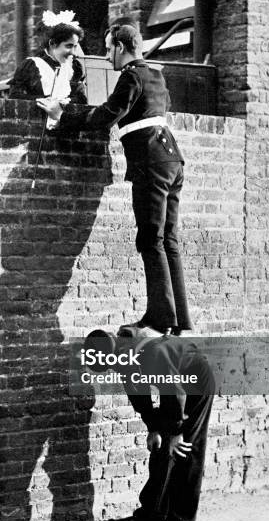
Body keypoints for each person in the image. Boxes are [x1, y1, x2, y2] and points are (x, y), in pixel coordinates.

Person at [37, 18, 191, 336]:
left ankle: (160, 318)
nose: (108, 57)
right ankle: (178, 321)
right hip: (173, 161)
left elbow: (109, 114)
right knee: (168, 240)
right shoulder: (157, 76)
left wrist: (62, 115)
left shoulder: (131, 75)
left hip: (151, 163)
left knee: (150, 238)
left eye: (109, 50)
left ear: (120, 47)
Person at [83, 327, 215, 521]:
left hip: (196, 384)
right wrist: (153, 427)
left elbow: (175, 392)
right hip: (174, 387)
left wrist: (176, 432)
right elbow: (137, 390)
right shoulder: (122, 353)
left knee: (185, 450)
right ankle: (153, 513)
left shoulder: (153, 352)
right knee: (161, 451)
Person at [8, 10, 87, 106]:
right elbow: (15, 98)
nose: (73, 53)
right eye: (69, 46)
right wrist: (43, 100)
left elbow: (81, 101)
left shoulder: (73, 69)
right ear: (52, 44)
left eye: (75, 46)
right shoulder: (32, 66)